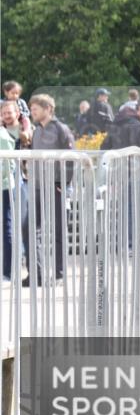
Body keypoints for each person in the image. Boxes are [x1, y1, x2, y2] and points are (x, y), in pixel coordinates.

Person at [25, 94, 75, 285]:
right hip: (38, 188)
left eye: (35, 109)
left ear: (48, 109)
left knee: (59, 231)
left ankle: (60, 274)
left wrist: (64, 183)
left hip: (57, 188)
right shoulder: (36, 131)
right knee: (28, 228)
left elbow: (72, 157)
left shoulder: (61, 129)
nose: (32, 113)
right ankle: (35, 274)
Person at [1, 122, 15, 282]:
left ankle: (8, 271)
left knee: (6, 228)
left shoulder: (2, 136)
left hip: (4, 188)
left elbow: (9, 164)